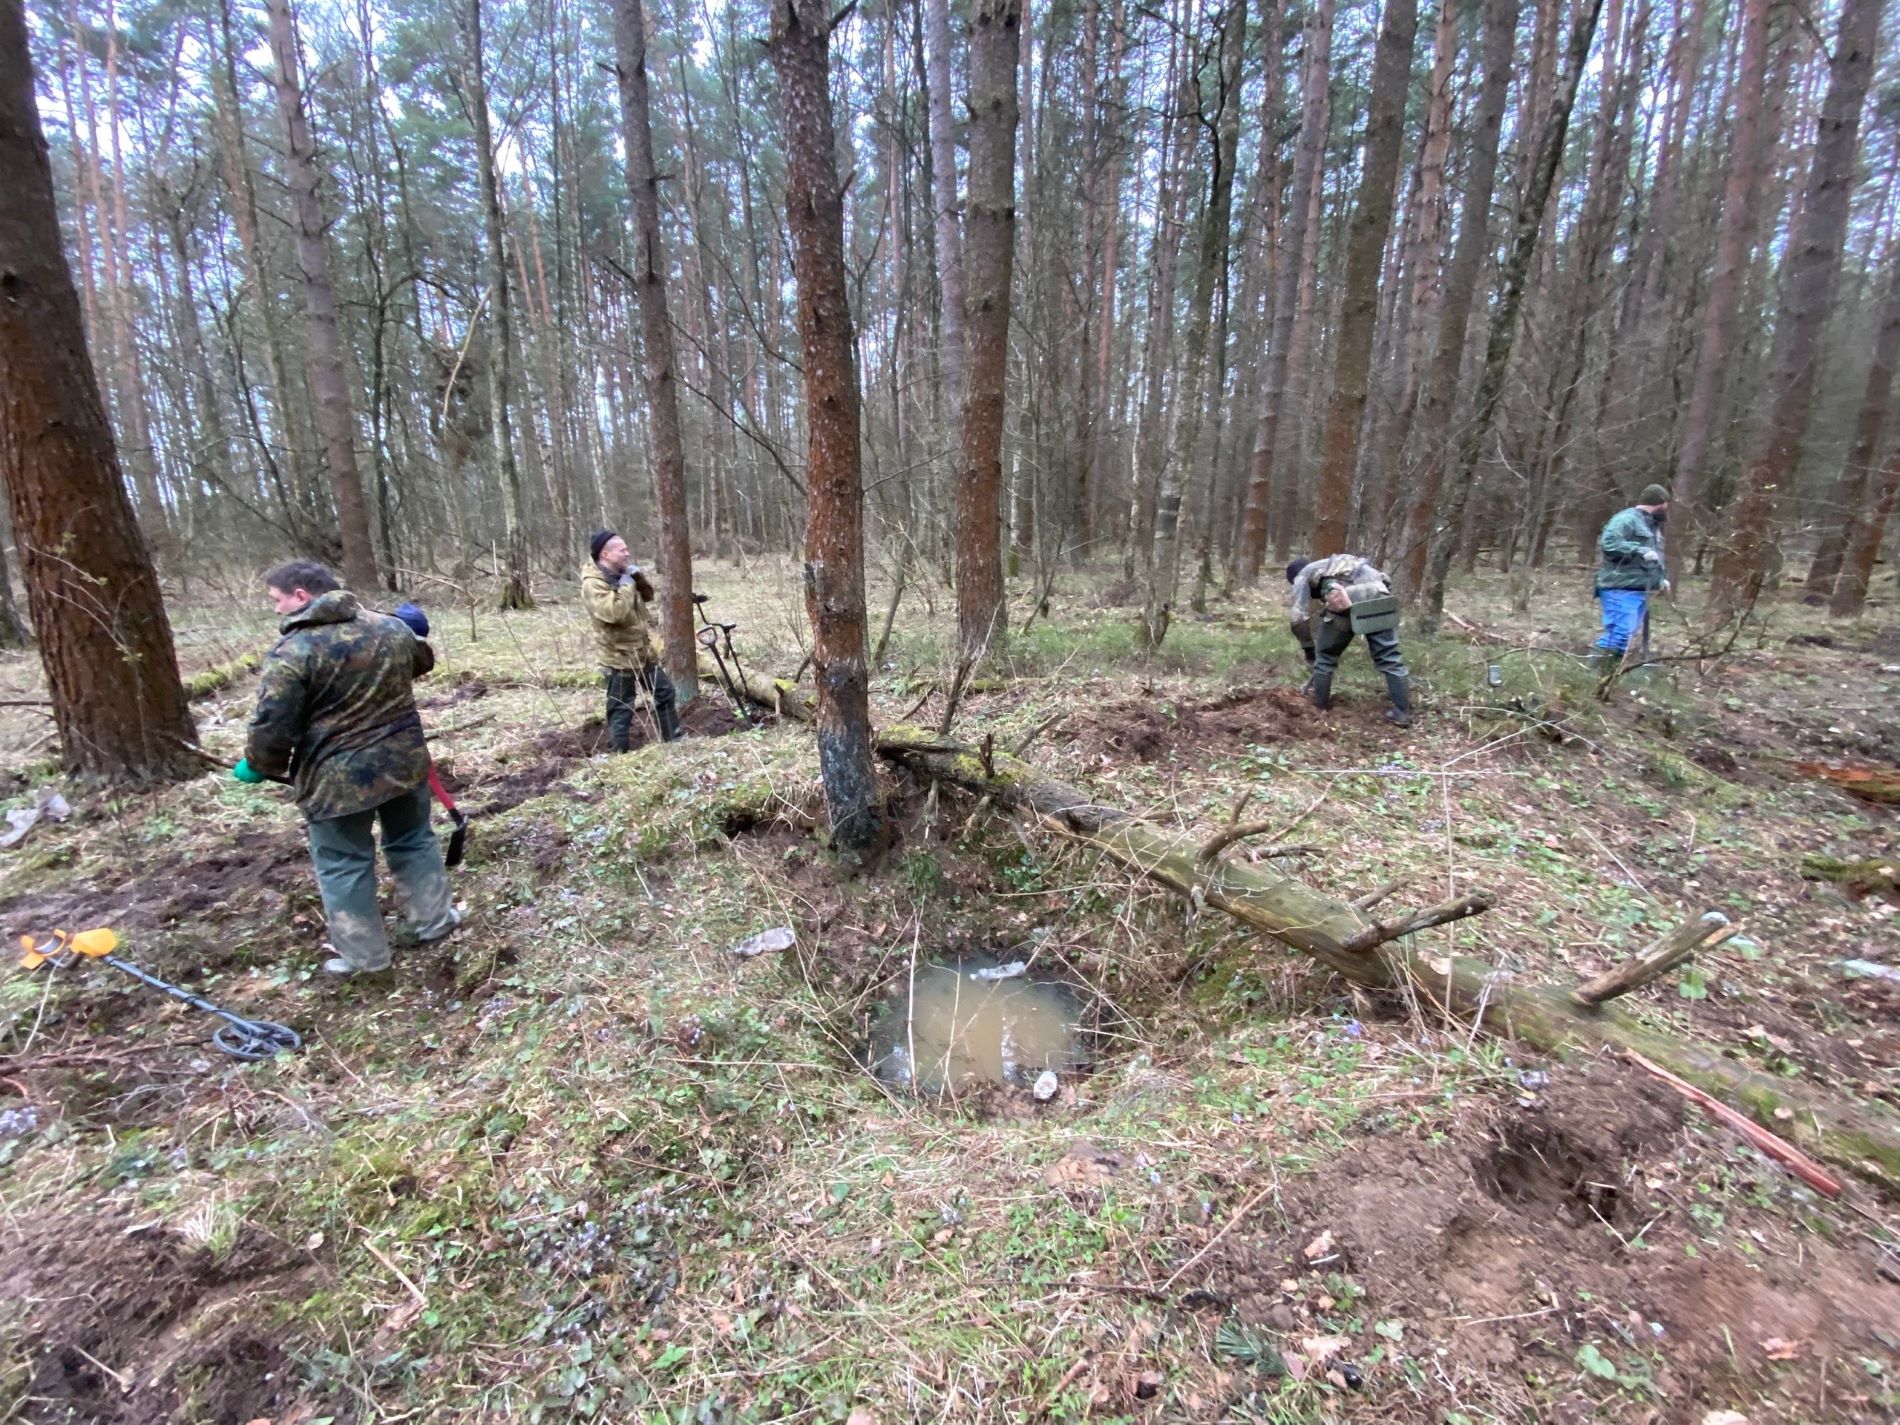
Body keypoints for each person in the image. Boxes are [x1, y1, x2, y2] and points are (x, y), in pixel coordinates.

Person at [233, 561, 458, 976]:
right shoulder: (389, 628)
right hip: (404, 763)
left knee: (343, 863)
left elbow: (273, 723)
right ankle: (434, 922)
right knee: (413, 841)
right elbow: (421, 661)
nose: (276, 609)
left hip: (337, 782)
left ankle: (366, 960)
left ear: (301, 596)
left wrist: (259, 764)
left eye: (277, 600)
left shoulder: (293, 652)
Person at [1286, 555, 1413, 726]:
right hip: (1380, 593)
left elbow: (1298, 619)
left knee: (1325, 657)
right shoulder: (1335, 564)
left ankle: (1318, 707)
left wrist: (1308, 648)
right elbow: (1385, 580)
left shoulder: (1302, 575)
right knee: (1390, 657)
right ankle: (1402, 713)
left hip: (1346, 597)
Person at [582, 530, 680, 749]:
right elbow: (615, 613)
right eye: (622, 550)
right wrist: (626, 585)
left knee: (664, 692)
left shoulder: (622, 573)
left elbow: (647, 596)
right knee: (621, 706)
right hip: (619, 656)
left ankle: (673, 742)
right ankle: (621, 752)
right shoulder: (593, 584)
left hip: (642, 651)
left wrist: (637, 578)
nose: (627, 553)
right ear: (605, 554)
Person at [1593, 484, 1670, 666]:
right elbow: (1610, 543)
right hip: (1619, 587)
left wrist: (1660, 579)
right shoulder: (1626, 519)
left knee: (1625, 638)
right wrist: (1639, 550)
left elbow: (1653, 558)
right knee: (1619, 635)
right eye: (1666, 505)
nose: (1667, 510)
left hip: (1639, 589)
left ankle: (1609, 675)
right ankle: (1590, 672)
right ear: (1660, 503)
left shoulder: (1651, 525)